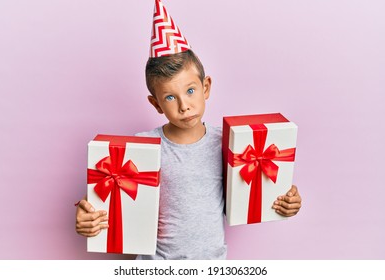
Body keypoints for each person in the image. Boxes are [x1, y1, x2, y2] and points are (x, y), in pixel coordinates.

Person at [75, 0, 302, 260]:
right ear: (156, 104)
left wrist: (285, 203)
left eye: (191, 91)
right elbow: (102, 199)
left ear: (206, 87)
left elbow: (246, 198)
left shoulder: (230, 143)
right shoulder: (140, 148)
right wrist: (86, 217)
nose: (184, 106)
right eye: (170, 98)